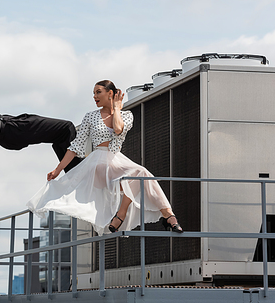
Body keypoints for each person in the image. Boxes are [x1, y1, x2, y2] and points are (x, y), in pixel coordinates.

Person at [26, 80, 183, 236]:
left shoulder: (126, 115)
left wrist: (116, 109)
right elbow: (75, 147)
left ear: (110, 94)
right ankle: (160, 215)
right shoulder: (90, 116)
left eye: (98, 92)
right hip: (97, 164)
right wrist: (57, 170)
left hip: (116, 160)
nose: (94, 96)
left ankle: (165, 216)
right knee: (141, 173)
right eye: (93, 93)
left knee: (142, 176)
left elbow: (118, 129)